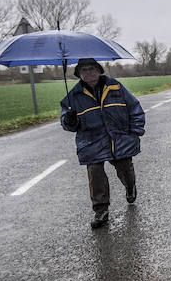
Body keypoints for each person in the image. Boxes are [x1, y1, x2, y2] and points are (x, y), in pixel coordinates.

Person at [60, 58, 145, 229]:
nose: (89, 73)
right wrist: (69, 120)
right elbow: (68, 124)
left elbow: (134, 107)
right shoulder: (73, 96)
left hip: (118, 138)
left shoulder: (116, 87)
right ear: (79, 74)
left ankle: (130, 186)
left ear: (99, 71)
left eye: (92, 69)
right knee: (95, 174)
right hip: (91, 141)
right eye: (84, 70)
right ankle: (101, 210)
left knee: (124, 167)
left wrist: (135, 131)